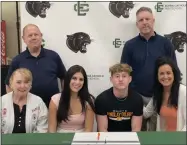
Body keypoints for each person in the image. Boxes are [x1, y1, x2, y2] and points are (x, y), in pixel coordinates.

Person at [120, 6, 178, 131]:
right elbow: (123, 73)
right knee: (136, 133)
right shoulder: (129, 46)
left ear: (153, 21)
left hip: (160, 96)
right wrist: (129, 95)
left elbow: (174, 72)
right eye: (141, 20)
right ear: (137, 24)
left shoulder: (166, 44)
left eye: (147, 19)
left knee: (156, 133)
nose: (144, 22)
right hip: (136, 96)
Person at [5, 24, 66, 108]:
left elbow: (64, 77)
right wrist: (14, 105)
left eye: (36, 34)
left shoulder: (53, 56)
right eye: (30, 35)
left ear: (41, 36)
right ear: (24, 39)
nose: (33, 37)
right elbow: (9, 84)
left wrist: (64, 98)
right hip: (28, 108)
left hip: (53, 106)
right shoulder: (17, 60)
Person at [95, 63, 143, 132]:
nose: (120, 79)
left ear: (130, 79)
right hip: (108, 139)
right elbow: (103, 130)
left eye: (124, 76)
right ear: (111, 79)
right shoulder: (101, 100)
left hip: (129, 139)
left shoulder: (137, 99)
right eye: (117, 76)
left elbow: (136, 130)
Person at [48, 65, 95, 132]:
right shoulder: (55, 100)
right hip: (59, 139)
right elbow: (51, 129)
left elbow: (88, 129)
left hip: (81, 139)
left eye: (81, 79)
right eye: (74, 78)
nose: (77, 82)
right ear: (68, 79)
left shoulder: (88, 100)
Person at [143, 57, 186, 131]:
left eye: (168, 73)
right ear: (157, 76)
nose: (165, 76)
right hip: (163, 140)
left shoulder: (184, 92)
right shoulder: (158, 93)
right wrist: (131, 98)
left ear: (174, 74)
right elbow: (146, 113)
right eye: (161, 73)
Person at [1, 68, 48, 134]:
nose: (22, 86)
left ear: (30, 85)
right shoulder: (2, 101)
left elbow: (43, 128)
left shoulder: (38, 102)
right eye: (18, 82)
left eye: (26, 82)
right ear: (11, 83)